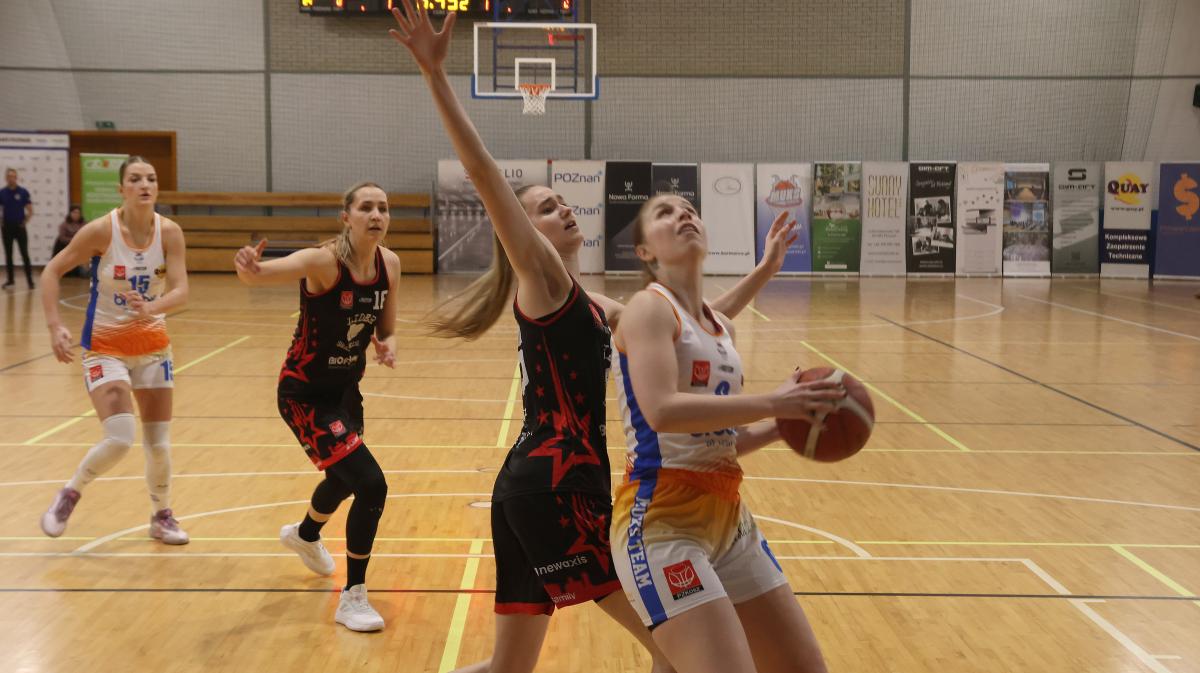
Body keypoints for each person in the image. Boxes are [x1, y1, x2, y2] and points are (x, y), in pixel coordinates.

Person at [388, 3, 798, 671]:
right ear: (523, 232)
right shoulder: (545, 279)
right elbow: (486, 173)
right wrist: (436, 76)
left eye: (562, 201)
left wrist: (762, 272)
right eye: (546, 208)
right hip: (556, 489)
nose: (563, 209)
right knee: (680, 648)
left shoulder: (591, 302)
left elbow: (694, 329)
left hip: (533, 484)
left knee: (508, 669)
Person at [611, 193, 846, 673]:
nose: (683, 214)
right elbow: (661, 411)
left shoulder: (721, 330)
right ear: (645, 252)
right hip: (663, 519)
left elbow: (724, 440)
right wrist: (774, 402)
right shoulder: (647, 309)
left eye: (689, 209)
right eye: (664, 212)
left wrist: (785, 424)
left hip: (729, 517)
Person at [233, 181, 401, 632]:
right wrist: (249, 265)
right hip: (304, 395)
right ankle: (353, 596)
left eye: (383, 208)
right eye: (366, 207)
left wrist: (387, 345)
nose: (376, 215)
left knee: (343, 480)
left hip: (346, 391)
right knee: (371, 484)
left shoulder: (390, 264)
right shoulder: (323, 261)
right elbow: (259, 275)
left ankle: (305, 535)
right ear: (346, 217)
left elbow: (386, 327)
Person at [38, 157, 191, 544]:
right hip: (105, 348)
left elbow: (181, 291)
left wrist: (151, 308)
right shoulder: (100, 231)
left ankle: (161, 516)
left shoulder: (169, 232)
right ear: (122, 189)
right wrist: (55, 326)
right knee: (121, 437)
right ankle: (69, 494)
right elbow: (51, 271)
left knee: (158, 444)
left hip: (153, 347)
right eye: (135, 179)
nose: (145, 184)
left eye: (151, 178)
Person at [1, 167, 35, 289]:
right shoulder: (2, 192)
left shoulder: (23, 192)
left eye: (14, 176)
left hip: (19, 227)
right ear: (6, 178)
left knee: (24, 253)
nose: (12, 178)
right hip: (7, 227)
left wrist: (25, 222)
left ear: (16, 178)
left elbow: (30, 210)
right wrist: (1, 222)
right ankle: (10, 281)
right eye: (9, 176)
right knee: (8, 254)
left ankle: (30, 281)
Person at [54, 206, 87, 277]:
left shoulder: (84, 224)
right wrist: (73, 240)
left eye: (78, 213)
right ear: (70, 213)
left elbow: (86, 235)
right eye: (74, 212)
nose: (76, 214)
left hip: (79, 245)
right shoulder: (64, 224)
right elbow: (62, 237)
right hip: (65, 245)